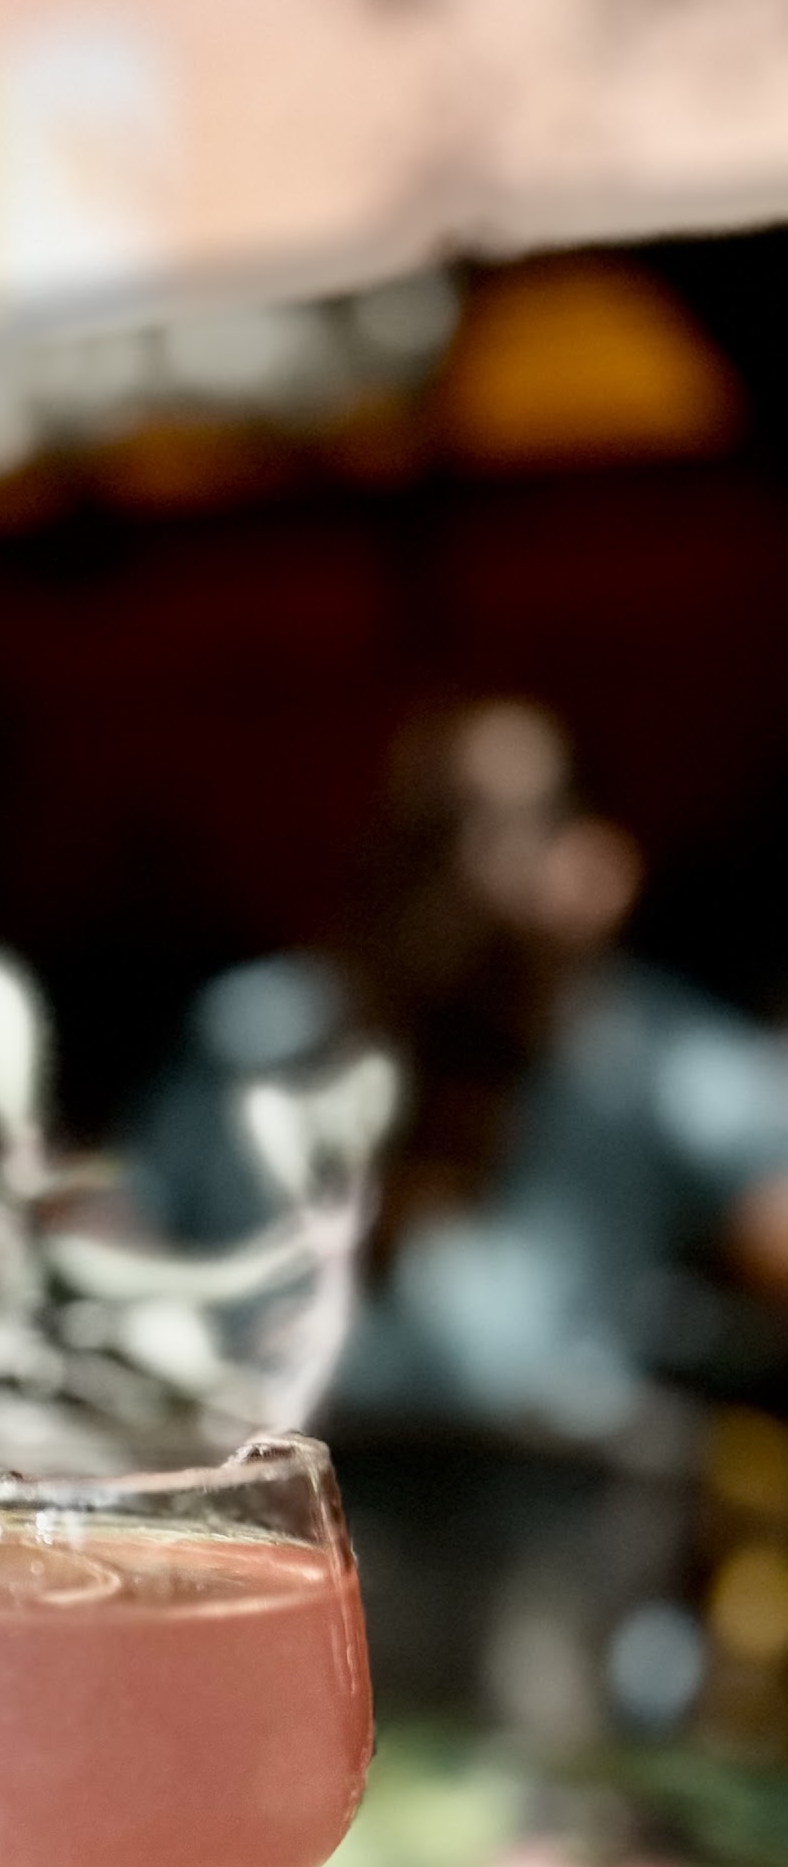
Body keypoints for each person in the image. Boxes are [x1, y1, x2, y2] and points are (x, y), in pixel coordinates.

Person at [127, 702, 788, 1736]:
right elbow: (119, 1235)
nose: (480, 868)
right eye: (444, 829)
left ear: (598, 861)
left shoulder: (648, 1058)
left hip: (558, 1549)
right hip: (296, 1531)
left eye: (520, 823)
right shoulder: (263, 1036)